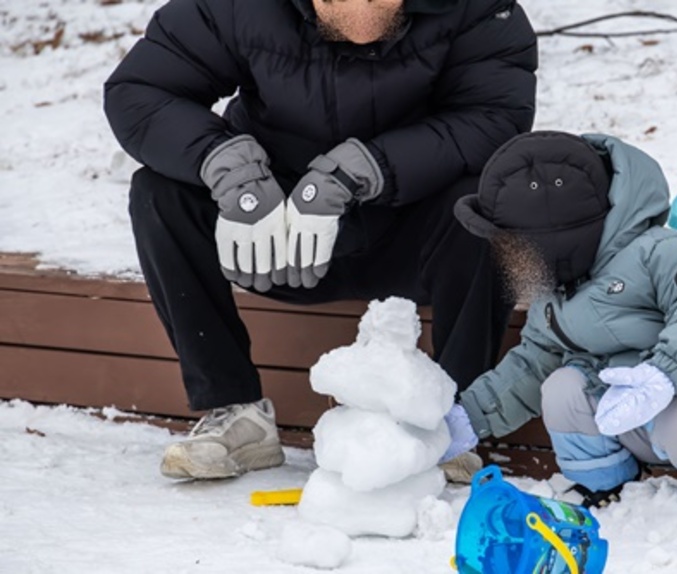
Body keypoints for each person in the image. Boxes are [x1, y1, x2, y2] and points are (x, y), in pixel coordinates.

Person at [102, 0, 537, 480]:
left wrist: (367, 169)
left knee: (486, 204)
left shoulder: (477, 7)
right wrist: (228, 167)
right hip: (274, 236)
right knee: (159, 192)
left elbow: (494, 115)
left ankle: (449, 420)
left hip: (411, 238)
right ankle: (236, 414)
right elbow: (142, 90)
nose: (362, 8)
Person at [449, 130, 677, 531]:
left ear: (554, 239)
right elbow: (531, 363)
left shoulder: (655, 251)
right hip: (612, 408)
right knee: (561, 388)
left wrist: (664, 373)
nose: (510, 260)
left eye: (516, 247)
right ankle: (605, 480)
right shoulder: (553, 292)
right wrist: (466, 420)